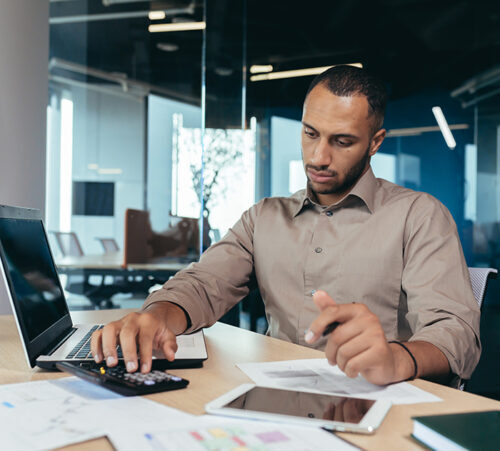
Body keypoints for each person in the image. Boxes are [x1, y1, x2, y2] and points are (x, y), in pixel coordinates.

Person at [91, 65, 480, 387]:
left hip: (376, 403)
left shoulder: (420, 216)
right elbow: (202, 285)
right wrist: (155, 319)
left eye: (342, 141)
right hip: (272, 394)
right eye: (310, 133)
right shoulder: (264, 217)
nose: (318, 156)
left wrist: (395, 359)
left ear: (375, 142)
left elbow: (456, 333)